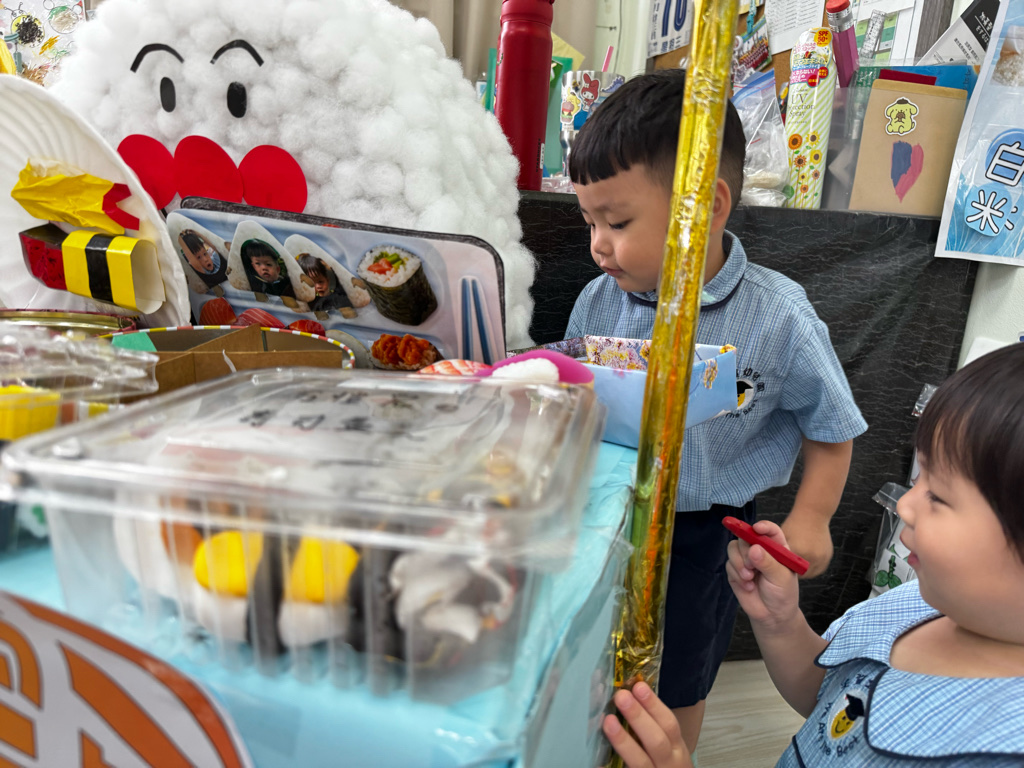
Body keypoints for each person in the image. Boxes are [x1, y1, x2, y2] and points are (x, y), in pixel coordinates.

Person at [564, 67, 867, 750]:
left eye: (617, 222)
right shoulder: (598, 300)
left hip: (705, 531)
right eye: (589, 222)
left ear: (708, 205)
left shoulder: (778, 314)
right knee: (590, 655)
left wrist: (812, 518)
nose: (599, 244)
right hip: (606, 513)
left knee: (681, 674)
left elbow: (832, 425)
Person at [604, 344, 1024, 767]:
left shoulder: (1000, 750)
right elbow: (826, 698)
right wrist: (780, 623)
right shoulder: (907, 606)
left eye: (939, 496)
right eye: (918, 479)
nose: (905, 505)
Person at [296, 253, 358, 318]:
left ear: (328, 279)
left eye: (320, 282)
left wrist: (329, 269)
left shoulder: (337, 294)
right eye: (312, 284)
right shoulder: (310, 302)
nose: (318, 286)